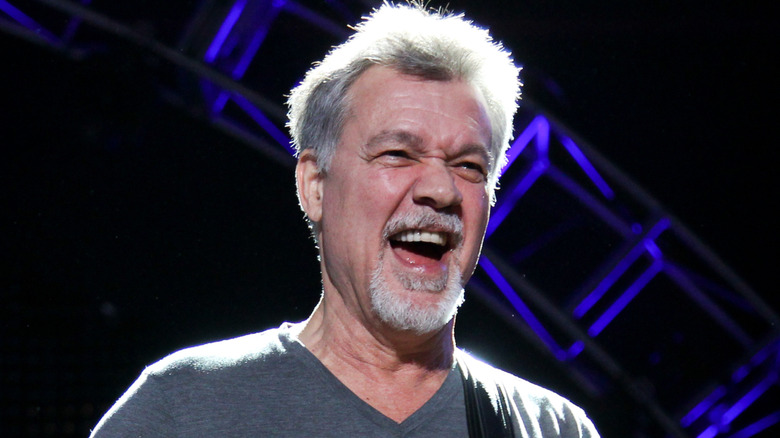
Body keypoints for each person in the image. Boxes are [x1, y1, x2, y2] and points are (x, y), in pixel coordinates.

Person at [90, 2, 600, 437]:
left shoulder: (549, 427)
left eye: (468, 166)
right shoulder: (183, 413)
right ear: (315, 185)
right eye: (399, 153)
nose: (441, 190)